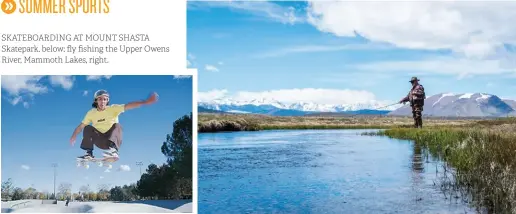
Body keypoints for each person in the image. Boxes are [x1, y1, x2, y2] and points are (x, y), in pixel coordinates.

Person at [69, 89, 159, 159]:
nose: (102, 102)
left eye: (105, 99)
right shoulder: (91, 113)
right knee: (87, 127)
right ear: (96, 101)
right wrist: (74, 135)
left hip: (111, 140)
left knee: (117, 126)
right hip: (99, 141)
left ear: (107, 101)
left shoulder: (113, 108)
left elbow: (128, 106)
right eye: (100, 99)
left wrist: (145, 102)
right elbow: (81, 126)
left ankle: (114, 150)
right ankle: (88, 153)